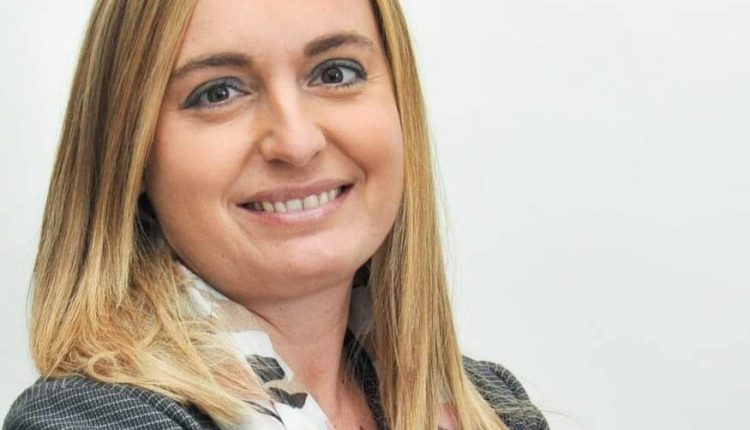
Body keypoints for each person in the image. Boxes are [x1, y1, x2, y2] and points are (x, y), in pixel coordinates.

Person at [4, 0, 548, 429]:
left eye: (335, 73)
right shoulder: (92, 421)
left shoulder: (491, 406)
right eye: (218, 92)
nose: (296, 142)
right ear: (130, 155)